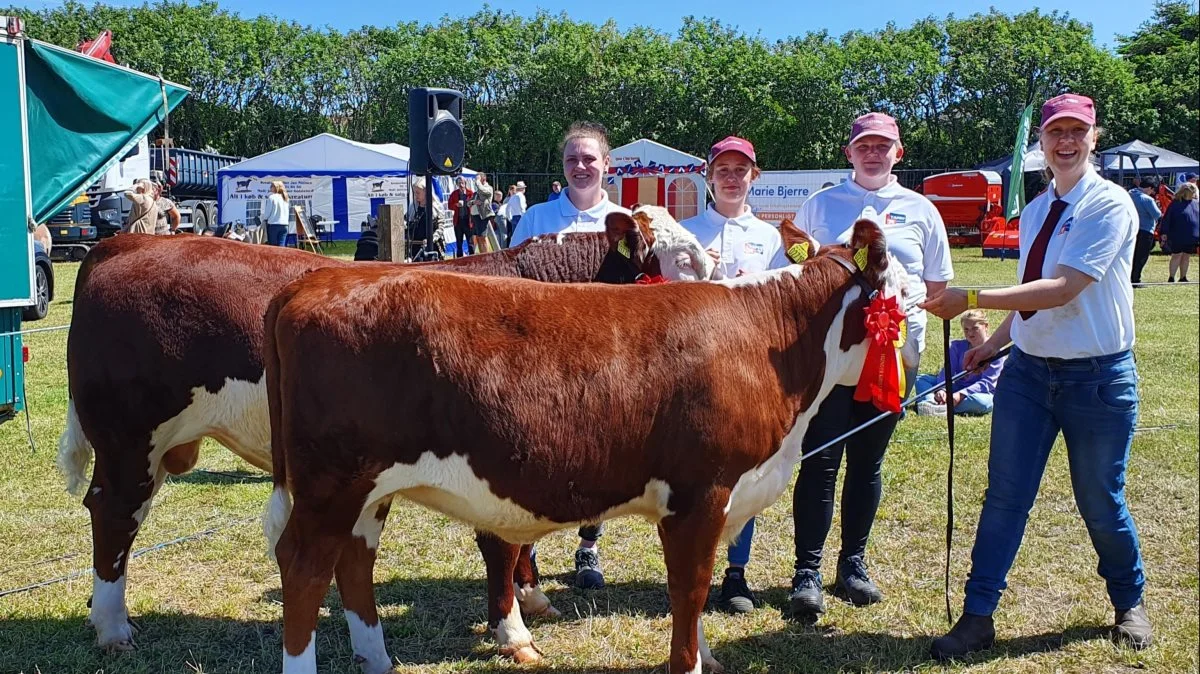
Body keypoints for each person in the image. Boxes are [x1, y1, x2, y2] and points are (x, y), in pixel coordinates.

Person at [922, 93, 1151, 659]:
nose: (1065, 142)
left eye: (1076, 132)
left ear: (1094, 137)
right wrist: (994, 347)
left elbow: (1065, 288)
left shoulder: (1110, 205)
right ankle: (977, 617)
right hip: (1027, 375)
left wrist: (969, 296)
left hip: (1097, 380)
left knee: (1100, 500)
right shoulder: (1036, 209)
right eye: (1055, 133)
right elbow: (1031, 296)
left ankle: (1129, 602)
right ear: (1042, 142)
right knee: (1004, 497)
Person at [766, 112, 953, 623]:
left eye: (883, 145)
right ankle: (806, 572)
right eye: (864, 145)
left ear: (899, 152)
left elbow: (936, 286)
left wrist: (909, 299)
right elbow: (791, 277)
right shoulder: (820, 205)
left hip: (893, 358)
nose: (873, 153)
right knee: (820, 459)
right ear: (849, 152)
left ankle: (853, 565)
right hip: (829, 361)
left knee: (867, 463)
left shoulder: (922, 211)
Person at [508, 122, 631, 588]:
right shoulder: (537, 219)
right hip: (542, 362)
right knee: (537, 457)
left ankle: (588, 548)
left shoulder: (626, 221)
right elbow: (510, 282)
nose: (580, 167)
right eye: (571, 160)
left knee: (601, 457)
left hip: (604, 362)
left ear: (607, 165)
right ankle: (528, 550)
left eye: (589, 159)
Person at [676, 135, 784, 612]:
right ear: (709, 175)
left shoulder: (771, 237)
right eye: (723, 169)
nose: (732, 177)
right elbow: (671, 299)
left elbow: (782, 300)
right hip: (697, 366)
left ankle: (736, 573)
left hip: (752, 366)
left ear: (754, 176)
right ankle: (687, 568)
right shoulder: (687, 230)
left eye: (741, 169)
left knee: (749, 467)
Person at [914, 310, 1005, 417]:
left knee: (983, 403)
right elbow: (947, 372)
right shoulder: (956, 346)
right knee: (921, 379)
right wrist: (942, 389)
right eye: (966, 329)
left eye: (975, 328)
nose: (970, 333)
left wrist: (961, 395)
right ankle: (932, 402)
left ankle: (938, 406)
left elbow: (987, 383)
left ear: (986, 326)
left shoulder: (994, 351)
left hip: (980, 393)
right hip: (956, 387)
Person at [1161, 181, 1198, 282]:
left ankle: (1183, 277)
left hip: (1191, 235)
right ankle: (1171, 276)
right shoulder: (1175, 204)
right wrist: (1164, 232)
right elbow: (1167, 218)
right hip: (1177, 234)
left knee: (1186, 255)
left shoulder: (1196, 204)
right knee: (1177, 255)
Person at [1128, 176, 1161, 285]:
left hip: (1131, 230)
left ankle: (1128, 277)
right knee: (1141, 257)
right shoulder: (1147, 199)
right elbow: (1157, 214)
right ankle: (1136, 279)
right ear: (1149, 188)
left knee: (1131, 255)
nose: (1152, 192)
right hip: (1145, 230)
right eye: (1152, 190)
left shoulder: (1129, 194)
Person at [447, 177, 474, 257]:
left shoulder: (470, 193)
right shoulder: (454, 194)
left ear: (465, 183)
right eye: (459, 183)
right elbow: (449, 205)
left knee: (470, 242)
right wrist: (456, 205)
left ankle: (472, 258)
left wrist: (471, 204)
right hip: (458, 221)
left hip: (467, 220)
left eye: (462, 182)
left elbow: (475, 204)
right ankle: (460, 260)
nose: (461, 185)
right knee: (459, 242)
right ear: (457, 184)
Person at [261, 180, 291, 246]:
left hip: (274, 225)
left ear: (276, 187)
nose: (270, 187)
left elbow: (267, 213)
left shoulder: (271, 197)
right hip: (285, 224)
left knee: (273, 247)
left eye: (271, 186)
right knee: (281, 245)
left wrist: (263, 218)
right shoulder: (286, 198)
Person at [471, 172, 495, 254]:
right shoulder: (477, 191)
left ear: (483, 178)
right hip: (475, 216)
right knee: (478, 237)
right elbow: (468, 203)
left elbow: (483, 191)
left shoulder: (488, 188)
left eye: (478, 178)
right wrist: (474, 202)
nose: (476, 180)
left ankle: (485, 255)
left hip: (483, 215)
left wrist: (477, 181)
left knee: (483, 236)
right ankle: (481, 254)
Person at [504, 181, 527, 246]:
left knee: (515, 235)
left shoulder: (513, 197)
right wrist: (524, 217)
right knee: (522, 235)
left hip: (514, 217)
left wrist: (509, 217)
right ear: (523, 189)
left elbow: (508, 208)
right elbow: (522, 207)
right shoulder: (521, 196)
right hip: (520, 217)